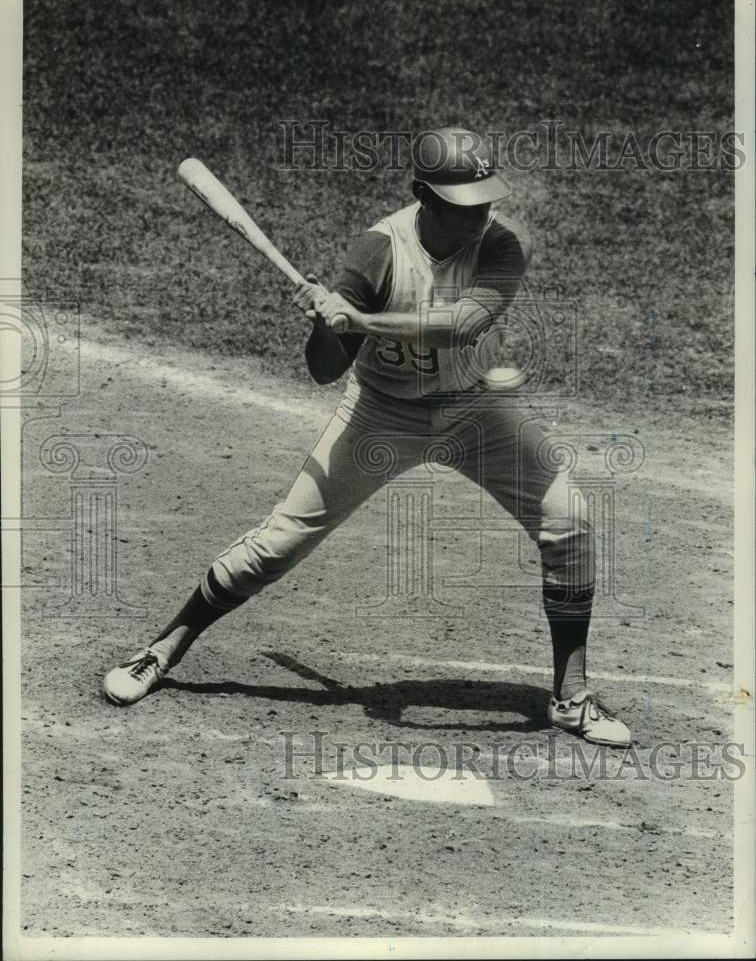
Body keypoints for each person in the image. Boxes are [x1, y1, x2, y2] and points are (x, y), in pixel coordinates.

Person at [103, 126, 631, 747]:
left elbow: (462, 326)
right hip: (382, 414)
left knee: (568, 520)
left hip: (475, 411)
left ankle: (571, 698)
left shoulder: (504, 245)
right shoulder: (378, 252)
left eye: (487, 197)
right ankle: (164, 647)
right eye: (466, 203)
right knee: (278, 543)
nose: (482, 213)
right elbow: (326, 368)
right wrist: (328, 324)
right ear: (423, 196)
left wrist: (364, 318)